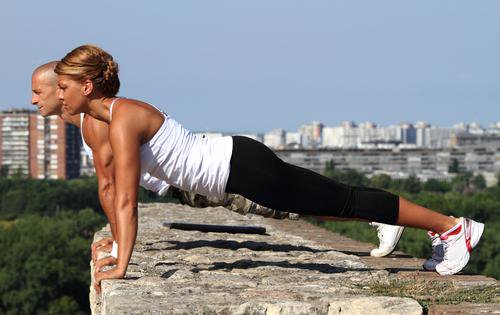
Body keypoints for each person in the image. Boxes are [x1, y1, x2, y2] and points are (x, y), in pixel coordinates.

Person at [54, 45, 483, 293]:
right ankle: (408, 222)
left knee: (343, 199)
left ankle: (450, 227)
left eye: (62, 87)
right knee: (333, 202)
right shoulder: (107, 118)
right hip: (237, 168)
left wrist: (122, 264)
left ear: (86, 86)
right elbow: (118, 191)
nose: (57, 96)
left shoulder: (124, 117)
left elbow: (127, 198)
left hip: (241, 168)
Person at [32, 61, 406, 267]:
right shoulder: (85, 119)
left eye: (42, 91)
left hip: (200, 176)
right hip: (195, 174)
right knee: (297, 202)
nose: (36, 100)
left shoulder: (95, 121)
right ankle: (376, 213)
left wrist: (118, 251)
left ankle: (380, 214)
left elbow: (113, 189)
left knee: (297, 203)